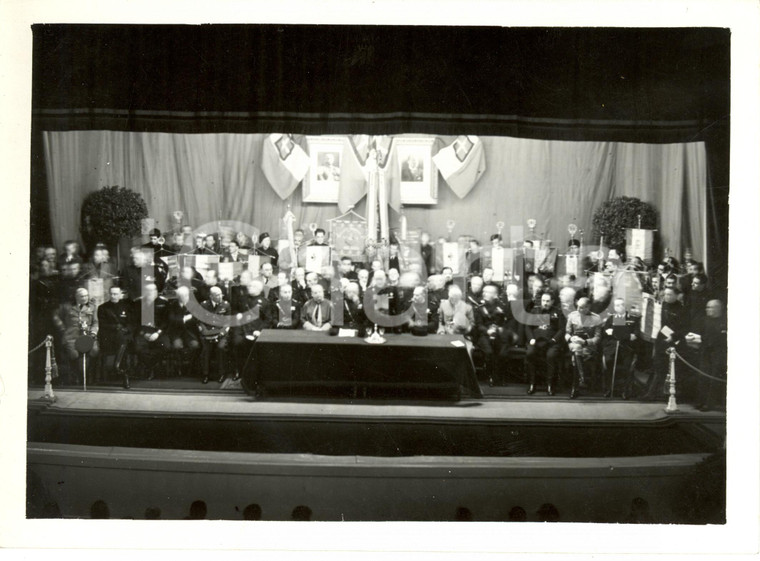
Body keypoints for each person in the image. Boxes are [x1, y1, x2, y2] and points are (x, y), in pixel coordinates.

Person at [643, 287, 687, 400]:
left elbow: (684, 328)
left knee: (673, 370)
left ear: (676, 296)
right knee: (658, 368)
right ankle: (651, 394)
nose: (666, 297)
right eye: (665, 294)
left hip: (673, 342)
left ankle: (670, 395)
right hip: (660, 341)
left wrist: (673, 336)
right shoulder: (661, 307)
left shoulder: (682, 310)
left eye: (669, 294)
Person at [52, 287, 99, 383]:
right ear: (76, 297)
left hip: (88, 335)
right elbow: (54, 315)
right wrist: (62, 328)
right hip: (71, 336)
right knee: (73, 354)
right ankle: (76, 375)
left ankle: (89, 375)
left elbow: (95, 322)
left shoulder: (92, 307)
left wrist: (93, 332)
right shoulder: (66, 306)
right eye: (82, 296)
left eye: (86, 295)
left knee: (95, 350)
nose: (85, 298)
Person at [525, 291, 564, 395]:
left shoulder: (558, 312)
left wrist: (553, 340)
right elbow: (528, 327)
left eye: (547, 301)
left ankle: (550, 385)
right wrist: (531, 339)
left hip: (551, 342)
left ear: (552, 301)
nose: (545, 303)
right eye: (543, 300)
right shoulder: (534, 311)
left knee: (551, 356)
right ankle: (532, 383)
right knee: (530, 353)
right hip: (536, 341)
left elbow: (561, 329)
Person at [231, 278, 270, 380]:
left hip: (256, 329)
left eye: (252, 286)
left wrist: (260, 330)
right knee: (237, 344)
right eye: (249, 286)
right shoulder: (241, 299)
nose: (249, 288)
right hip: (241, 328)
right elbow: (233, 310)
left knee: (256, 349)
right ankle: (238, 371)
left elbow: (267, 320)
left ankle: (253, 374)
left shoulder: (265, 302)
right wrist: (237, 314)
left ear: (259, 289)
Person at [565, 297, 603, 399]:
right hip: (573, 344)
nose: (578, 309)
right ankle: (582, 379)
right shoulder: (572, 316)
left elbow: (598, 338)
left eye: (581, 308)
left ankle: (575, 386)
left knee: (577, 353)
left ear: (588, 308)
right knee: (577, 348)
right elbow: (567, 334)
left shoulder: (596, 318)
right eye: (577, 306)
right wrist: (571, 338)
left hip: (588, 346)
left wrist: (585, 342)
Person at [693, 299, 727, 411]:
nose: (707, 309)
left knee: (714, 379)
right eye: (707, 307)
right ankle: (700, 401)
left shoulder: (726, 321)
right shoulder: (704, 320)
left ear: (718, 309)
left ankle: (709, 404)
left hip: (719, 353)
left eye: (710, 307)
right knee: (702, 376)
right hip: (705, 352)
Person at [602, 297, 638, 399]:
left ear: (625, 306)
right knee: (608, 362)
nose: (620, 307)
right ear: (614, 307)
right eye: (617, 305)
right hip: (613, 347)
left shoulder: (633, 318)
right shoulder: (612, 318)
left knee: (627, 366)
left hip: (627, 348)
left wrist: (617, 334)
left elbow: (635, 335)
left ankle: (625, 390)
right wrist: (625, 335)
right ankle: (609, 388)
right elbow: (606, 333)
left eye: (622, 304)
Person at [97, 285, 133, 388]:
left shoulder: (127, 307)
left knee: (124, 341)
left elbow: (132, 322)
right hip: (109, 337)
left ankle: (119, 369)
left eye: (116, 294)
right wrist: (116, 327)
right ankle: (123, 373)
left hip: (125, 335)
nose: (113, 296)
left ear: (120, 295)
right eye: (111, 294)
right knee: (122, 342)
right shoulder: (103, 308)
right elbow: (103, 325)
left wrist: (128, 329)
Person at [133, 283, 170, 380]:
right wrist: (144, 334)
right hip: (142, 332)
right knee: (138, 348)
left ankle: (149, 366)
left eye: (153, 290)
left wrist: (157, 333)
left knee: (166, 346)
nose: (150, 293)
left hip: (158, 332)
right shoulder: (137, 303)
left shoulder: (164, 303)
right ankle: (151, 368)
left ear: (157, 291)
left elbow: (166, 321)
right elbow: (134, 322)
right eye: (148, 291)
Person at [473, 284, 509, 385]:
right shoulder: (480, 308)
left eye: (487, 292)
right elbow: (479, 325)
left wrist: (499, 330)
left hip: (499, 335)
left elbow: (505, 323)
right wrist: (487, 331)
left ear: (495, 295)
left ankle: (499, 376)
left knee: (502, 353)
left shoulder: (502, 306)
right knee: (489, 352)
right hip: (484, 335)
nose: (484, 293)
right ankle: (490, 376)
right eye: (483, 291)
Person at [198, 286, 231, 384]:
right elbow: (200, 321)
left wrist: (222, 333)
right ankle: (205, 374)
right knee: (206, 350)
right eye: (217, 295)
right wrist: (205, 332)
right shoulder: (204, 305)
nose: (220, 297)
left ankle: (222, 374)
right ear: (211, 296)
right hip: (207, 333)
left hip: (221, 333)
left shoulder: (226, 305)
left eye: (221, 294)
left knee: (221, 348)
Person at [167, 285, 201, 376]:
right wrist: (184, 319)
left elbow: (196, 319)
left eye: (185, 295)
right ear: (178, 296)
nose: (183, 298)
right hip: (177, 333)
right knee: (177, 346)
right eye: (181, 296)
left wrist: (182, 319)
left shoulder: (193, 305)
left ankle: (190, 366)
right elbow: (171, 319)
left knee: (195, 346)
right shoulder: (173, 305)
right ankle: (179, 367)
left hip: (190, 333)